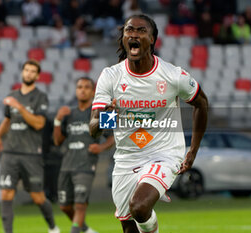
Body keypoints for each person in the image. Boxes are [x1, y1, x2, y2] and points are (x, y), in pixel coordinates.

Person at [89, 14, 208, 232]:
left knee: (139, 207)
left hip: (164, 153)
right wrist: (107, 116)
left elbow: (202, 103)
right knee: (129, 227)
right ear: (124, 38)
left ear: (152, 39)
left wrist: (193, 151)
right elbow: (94, 130)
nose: (133, 34)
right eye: (129, 30)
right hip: (127, 157)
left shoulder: (172, 75)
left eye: (141, 31)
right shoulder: (111, 77)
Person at [0, 60, 60, 233]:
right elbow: (8, 120)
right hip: (10, 152)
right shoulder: (12, 95)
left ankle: (53, 228)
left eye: (32, 71)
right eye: (26, 70)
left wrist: (20, 107)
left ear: (37, 76)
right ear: (22, 72)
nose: (28, 73)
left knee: (38, 197)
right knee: (6, 193)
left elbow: (39, 124)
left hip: (30, 154)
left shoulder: (40, 97)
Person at [53, 77, 115, 233]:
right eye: (79, 86)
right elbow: (57, 141)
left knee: (80, 204)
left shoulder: (100, 112)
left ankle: (75, 231)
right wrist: (57, 120)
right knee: (64, 206)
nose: (82, 90)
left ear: (93, 92)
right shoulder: (68, 113)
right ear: (76, 90)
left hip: (86, 165)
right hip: (66, 165)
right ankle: (86, 229)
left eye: (87, 87)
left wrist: (101, 147)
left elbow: (114, 136)